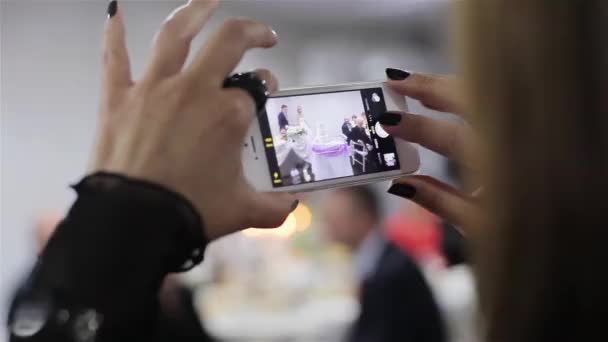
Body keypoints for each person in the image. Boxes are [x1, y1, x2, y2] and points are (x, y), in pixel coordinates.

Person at [321, 186, 445, 342]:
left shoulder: (391, 272)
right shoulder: (380, 260)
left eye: (335, 219)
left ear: (363, 217)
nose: (327, 226)